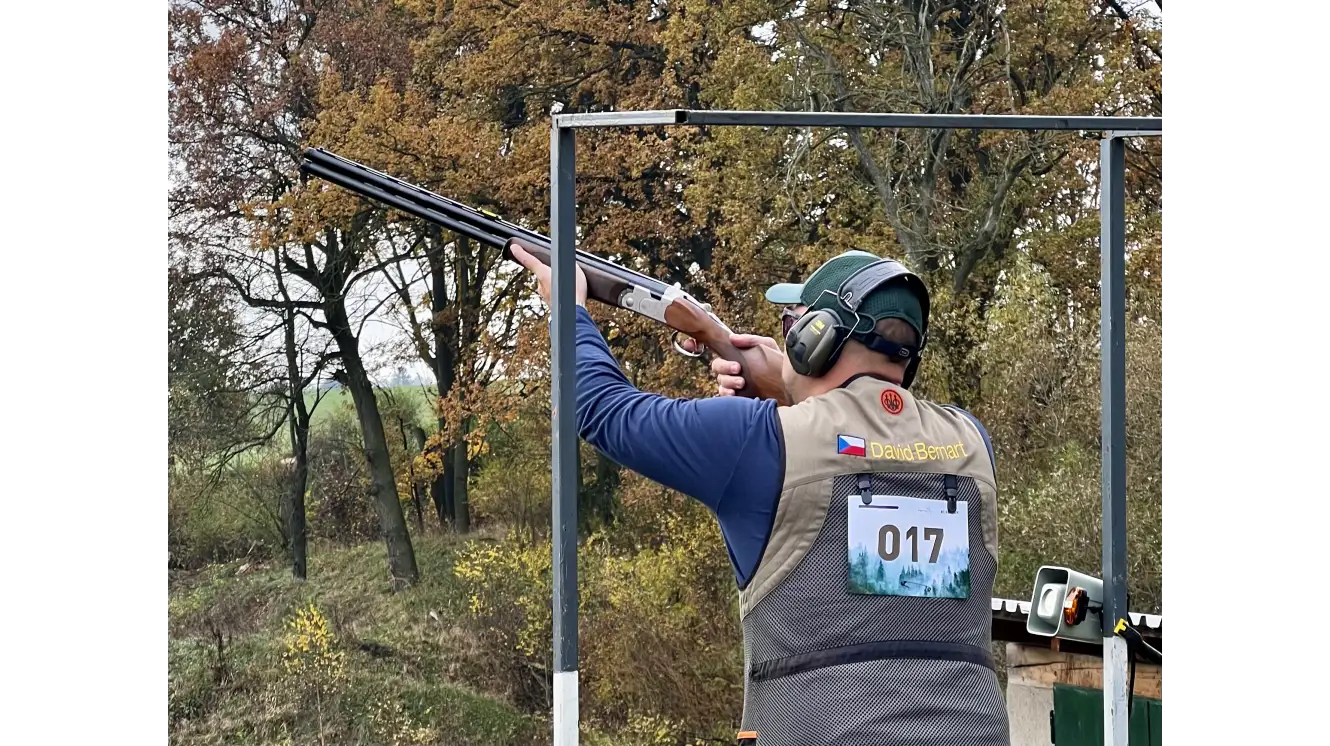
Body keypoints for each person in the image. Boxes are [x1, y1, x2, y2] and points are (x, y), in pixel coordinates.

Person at [510, 246, 1008, 746]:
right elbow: (865, 442)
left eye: (793, 326)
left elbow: (602, 411)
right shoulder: (971, 444)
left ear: (815, 341)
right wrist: (789, 390)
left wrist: (568, 312)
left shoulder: (760, 440)